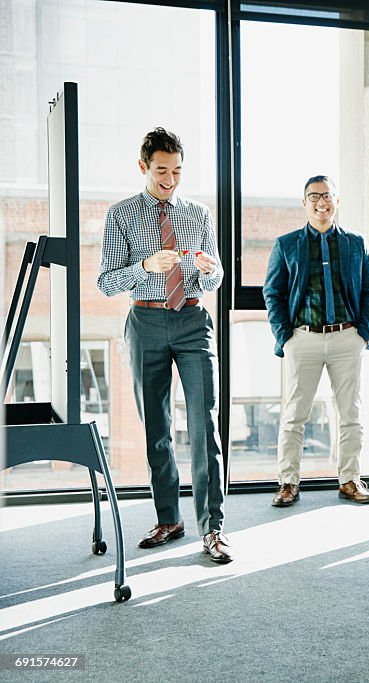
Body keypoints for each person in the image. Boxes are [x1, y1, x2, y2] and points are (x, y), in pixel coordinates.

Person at [98, 127, 231, 564]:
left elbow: (214, 279)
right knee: (156, 429)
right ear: (143, 167)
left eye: (176, 170)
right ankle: (169, 518)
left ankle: (212, 528)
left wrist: (210, 270)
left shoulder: (200, 215)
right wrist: (144, 265)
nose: (170, 178)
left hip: (193, 319)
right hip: (146, 320)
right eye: (161, 170)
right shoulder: (120, 214)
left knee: (203, 424)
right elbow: (106, 281)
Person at [263, 175, 369, 507]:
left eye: (327, 196)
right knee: (294, 414)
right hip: (304, 339)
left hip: (347, 338)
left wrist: (363, 334)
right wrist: (286, 338)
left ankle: (350, 479)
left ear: (337, 201)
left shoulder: (356, 243)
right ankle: (288, 482)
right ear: (304, 203)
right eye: (314, 196)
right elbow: (273, 293)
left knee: (350, 413)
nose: (321, 202)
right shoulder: (286, 244)